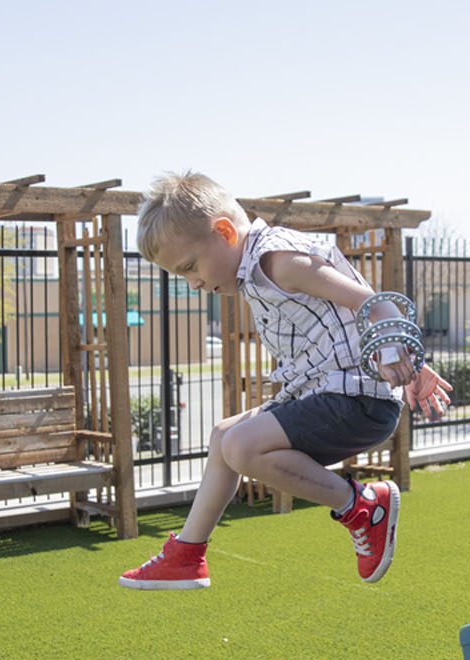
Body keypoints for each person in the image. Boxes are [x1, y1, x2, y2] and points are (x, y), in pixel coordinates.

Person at [118, 171, 451, 590]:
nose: (195, 283)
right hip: (326, 394)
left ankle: (364, 507)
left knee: (242, 446)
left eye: (190, 267)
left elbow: (372, 303)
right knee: (223, 436)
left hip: (358, 401)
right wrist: (412, 365)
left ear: (225, 232)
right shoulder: (257, 271)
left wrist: (393, 353)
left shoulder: (279, 261)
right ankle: (187, 555)